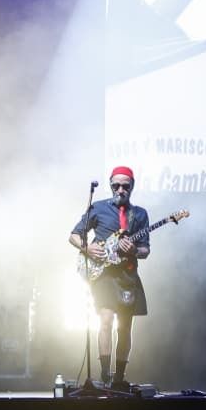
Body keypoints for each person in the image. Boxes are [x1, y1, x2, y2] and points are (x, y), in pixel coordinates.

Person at [69, 166, 150, 388]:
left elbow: (145, 250)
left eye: (125, 186)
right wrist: (87, 249)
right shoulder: (98, 208)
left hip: (127, 275)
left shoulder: (140, 214)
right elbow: (74, 235)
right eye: (116, 185)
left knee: (124, 327)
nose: (120, 189)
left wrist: (134, 250)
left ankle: (119, 377)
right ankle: (104, 374)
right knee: (105, 320)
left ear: (132, 186)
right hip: (103, 274)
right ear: (110, 185)